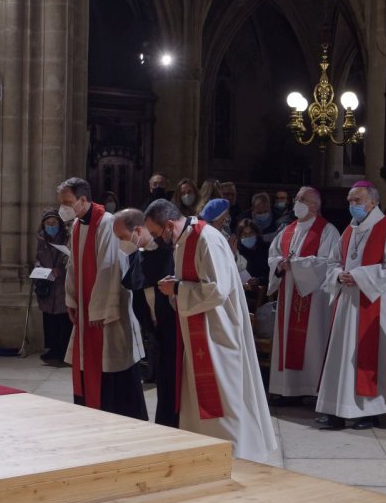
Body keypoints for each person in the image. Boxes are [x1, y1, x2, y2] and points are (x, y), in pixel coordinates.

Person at [145, 198, 280, 464]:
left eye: (155, 233)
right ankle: (204, 452)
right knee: (198, 397)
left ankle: (236, 454)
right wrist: (176, 288)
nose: (156, 239)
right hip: (198, 333)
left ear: (170, 225)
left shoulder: (207, 239)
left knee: (224, 397)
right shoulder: (181, 243)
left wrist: (177, 289)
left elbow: (218, 289)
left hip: (218, 333)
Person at [315, 182, 386, 430]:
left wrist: (360, 276)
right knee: (341, 357)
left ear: (373, 202)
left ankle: (367, 412)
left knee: (366, 358)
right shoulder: (349, 231)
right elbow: (333, 261)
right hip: (347, 303)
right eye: (350, 201)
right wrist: (339, 274)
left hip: (373, 304)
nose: (351, 205)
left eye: (357, 200)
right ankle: (337, 408)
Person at [57, 176, 146, 419]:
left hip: (107, 313)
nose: (63, 207)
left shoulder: (106, 223)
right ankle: (89, 411)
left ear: (83, 200)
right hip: (87, 309)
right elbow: (74, 265)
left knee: (113, 368)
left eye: (67, 202)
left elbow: (109, 267)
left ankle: (118, 416)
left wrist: (97, 311)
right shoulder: (77, 225)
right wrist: (72, 300)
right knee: (89, 366)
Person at [267, 186, 341, 401]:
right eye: (296, 198)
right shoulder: (287, 229)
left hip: (314, 298)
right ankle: (285, 389)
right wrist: (280, 265)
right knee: (286, 339)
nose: (295, 202)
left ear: (315, 205)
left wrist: (296, 265)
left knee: (311, 341)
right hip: (287, 294)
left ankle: (310, 389)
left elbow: (329, 262)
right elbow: (273, 256)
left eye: (301, 199)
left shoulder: (327, 231)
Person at [114, 207, 178, 427]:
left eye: (122, 237)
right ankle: (165, 424)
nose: (120, 242)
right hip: (156, 330)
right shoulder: (140, 254)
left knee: (174, 385)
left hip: (175, 329)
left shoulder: (170, 250)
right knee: (163, 383)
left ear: (138, 230)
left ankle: (174, 426)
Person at [35, 208, 73, 365]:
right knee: (49, 319)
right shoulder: (42, 239)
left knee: (62, 320)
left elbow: (71, 260)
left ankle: (64, 352)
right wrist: (40, 269)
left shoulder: (66, 239)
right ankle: (52, 350)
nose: (51, 226)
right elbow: (37, 258)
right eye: (48, 223)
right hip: (47, 285)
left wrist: (61, 270)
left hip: (62, 286)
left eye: (54, 223)